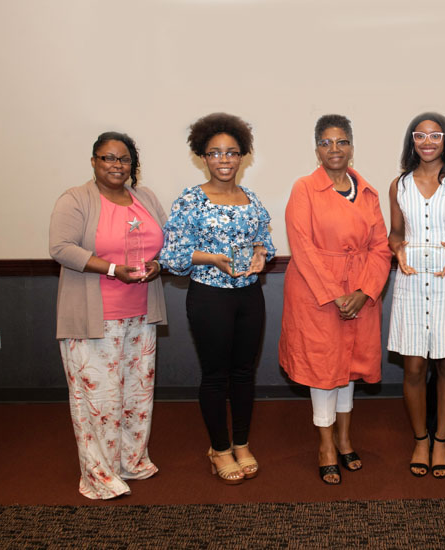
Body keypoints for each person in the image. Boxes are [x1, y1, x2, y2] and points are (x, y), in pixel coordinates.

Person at [49, 131, 167, 499]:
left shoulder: (144, 197)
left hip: (140, 315)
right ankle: (99, 474)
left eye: (124, 159)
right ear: (94, 161)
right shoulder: (76, 199)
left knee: (135, 395)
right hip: (93, 319)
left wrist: (158, 265)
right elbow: (60, 247)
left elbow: (169, 241)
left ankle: (130, 461)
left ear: (133, 165)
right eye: (108, 158)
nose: (116, 166)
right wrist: (113, 269)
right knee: (98, 401)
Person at [160, 113, 275, 485]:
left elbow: (265, 243)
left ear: (242, 156)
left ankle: (241, 443)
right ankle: (219, 449)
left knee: (244, 373)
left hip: (248, 296)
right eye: (215, 153)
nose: (224, 160)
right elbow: (172, 256)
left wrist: (261, 254)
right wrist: (211, 259)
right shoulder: (191, 200)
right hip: (209, 296)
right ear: (203, 156)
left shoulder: (251, 199)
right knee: (216, 376)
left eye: (232, 152)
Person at [279, 114, 391, 485]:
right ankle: (326, 445)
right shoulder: (304, 189)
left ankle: (345, 438)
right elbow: (303, 248)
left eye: (341, 142)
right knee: (323, 371)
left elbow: (380, 248)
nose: (334, 149)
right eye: (326, 143)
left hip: (360, 290)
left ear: (352, 148)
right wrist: (335, 294)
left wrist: (363, 292)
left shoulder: (369, 193)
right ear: (316, 150)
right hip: (316, 294)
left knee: (349, 368)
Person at [387, 112, 445, 478]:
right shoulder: (400, 185)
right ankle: (420, 438)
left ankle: (441, 440)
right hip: (411, 279)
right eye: (420, 136)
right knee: (413, 367)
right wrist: (396, 249)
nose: (427, 142)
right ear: (412, 142)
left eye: (435, 135)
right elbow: (396, 232)